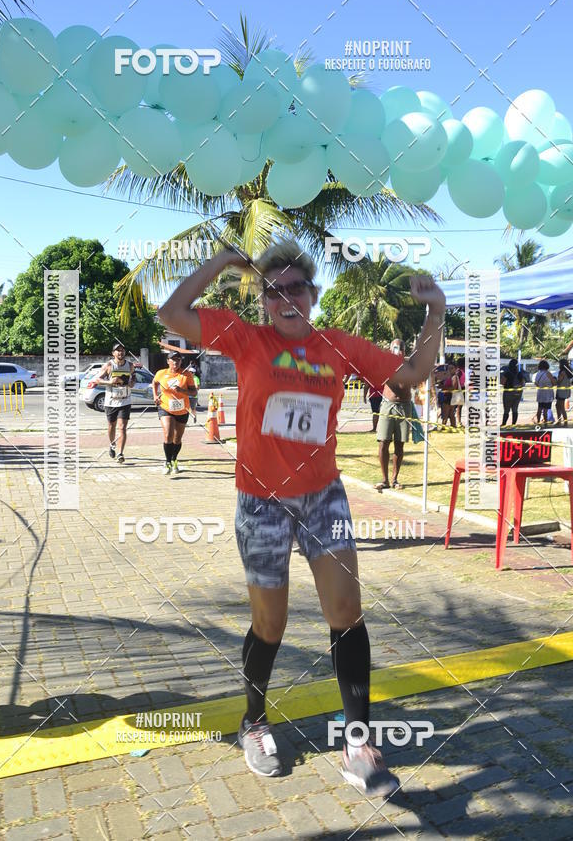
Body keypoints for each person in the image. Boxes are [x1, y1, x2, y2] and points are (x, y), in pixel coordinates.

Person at [157, 239, 445, 795]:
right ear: (264, 298)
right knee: (271, 625)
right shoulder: (244, 338)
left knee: (346, 610)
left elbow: (411, 374)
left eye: (296, 287)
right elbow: (171, 315)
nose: (285, 297)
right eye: (274, 289)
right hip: (261, 501)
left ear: (313, 294)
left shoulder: (336, 345)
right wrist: (221, 262)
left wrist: (434, 309)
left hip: (323, 497)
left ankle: (358, 741)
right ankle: (255, 721)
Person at [152, 351, 197, 474]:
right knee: (168, 435)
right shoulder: (161, 373)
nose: (176, 362)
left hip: (182, 409)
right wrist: (155, 395)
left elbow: (194, 392)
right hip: (165, 407)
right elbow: (154, 383)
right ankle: (167, 462)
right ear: (168, 361)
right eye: (173, 360)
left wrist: (182, 391)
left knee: (177, 439)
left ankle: (174, 459)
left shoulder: (186, 375)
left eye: (178, 360)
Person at [375, 339, 410, 491]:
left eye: (400, 348)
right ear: (391, 350)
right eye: (395, 348)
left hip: (404, 406)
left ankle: (395, 479)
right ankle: (385, 479)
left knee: (399, 445)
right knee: (383, 442)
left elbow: (404, 385)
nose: (398, 350)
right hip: (388, 405)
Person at [95, 342, 136, 463]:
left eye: (122, 350)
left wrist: (132, 382)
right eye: (118, 350)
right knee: (111, 426)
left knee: (122, 428)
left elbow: (133, 377)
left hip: (125, 400)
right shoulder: (109, 365)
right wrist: (109, 382)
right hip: (111, 401)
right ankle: (112, 445)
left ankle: (120, 453)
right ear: (113, 353)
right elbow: (97, 380)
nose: (120, 352)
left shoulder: (130, 365)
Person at [500, 359, 525, 427]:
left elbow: (503, 382)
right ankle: (513, 424)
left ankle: (504, 424)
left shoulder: (507, 373)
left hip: (508, 393)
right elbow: (523, 383)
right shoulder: (519, 373)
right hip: (518, 393)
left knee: (506, 410)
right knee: (515, 409)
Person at [534, 359, 557, 425]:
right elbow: (554, 382)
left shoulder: (538, 373)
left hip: (540, 392)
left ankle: (538, 422)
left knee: (539, 408)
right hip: (548, 394)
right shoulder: (548, 373)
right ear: (547, 366)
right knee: (546, 410)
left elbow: (536, 383)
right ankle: (545, 422)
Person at [556, 359, 573, 426]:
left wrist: (555, 380)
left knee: (561, 406)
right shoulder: (568, 371)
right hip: (565, 390)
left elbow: (559, 381)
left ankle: (564, 422)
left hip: (561, 391)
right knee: (557, 405)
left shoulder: (562, 372)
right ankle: (559, 420)